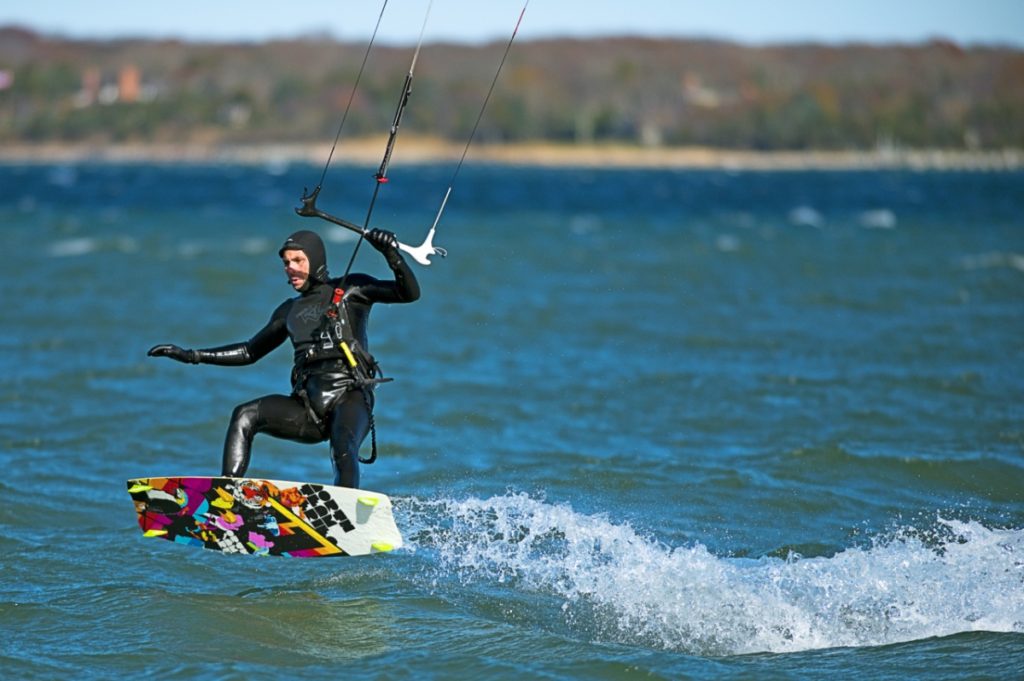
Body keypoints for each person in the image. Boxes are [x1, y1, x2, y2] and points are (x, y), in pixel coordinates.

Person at [147, 228, 419, 488]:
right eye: (287, 263)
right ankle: (226, 497)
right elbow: (249, 351)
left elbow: (408, 293)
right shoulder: (287, 311)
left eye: (298, 260)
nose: (291, 268)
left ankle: (343, 513)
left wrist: (391, 254)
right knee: (244, 414)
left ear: (316, 260)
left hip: (349, 395)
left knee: (343, 445)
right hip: (307, 406)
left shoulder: (352, 290)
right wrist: (191, 355)